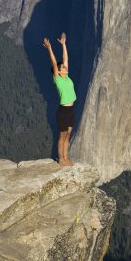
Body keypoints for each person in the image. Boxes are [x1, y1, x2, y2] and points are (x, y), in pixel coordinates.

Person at [43, 33, 76, 166]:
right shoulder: (58, 80)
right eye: (63, 67)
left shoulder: (67, 77)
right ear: (59, 71)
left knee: (68, 134)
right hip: (63, 111)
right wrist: (49, 48)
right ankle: (61, 159)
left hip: (71, 110)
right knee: (62, 135)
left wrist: (63, 45)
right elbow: (54, 62)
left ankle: (66, 158)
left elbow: (65, 58)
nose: (65, 67)